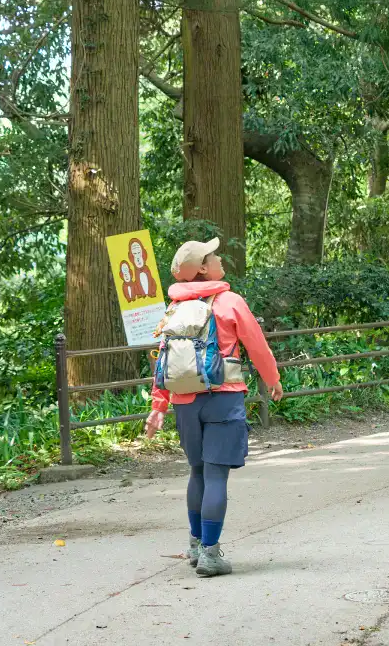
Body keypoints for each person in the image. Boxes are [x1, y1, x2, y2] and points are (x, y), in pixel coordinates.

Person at [144, 237, 284, 577]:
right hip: (224, 397)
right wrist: (272, 378)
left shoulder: (175, 307)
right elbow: (257, 344)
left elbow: (164, 359)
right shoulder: (229, 301)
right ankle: (210, 554)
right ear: (204, 268)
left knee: (198, 472)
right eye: (214, 255)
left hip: (184, 403)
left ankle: (195, 544)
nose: (220, 258)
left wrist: (159, 405)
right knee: (216, 474)